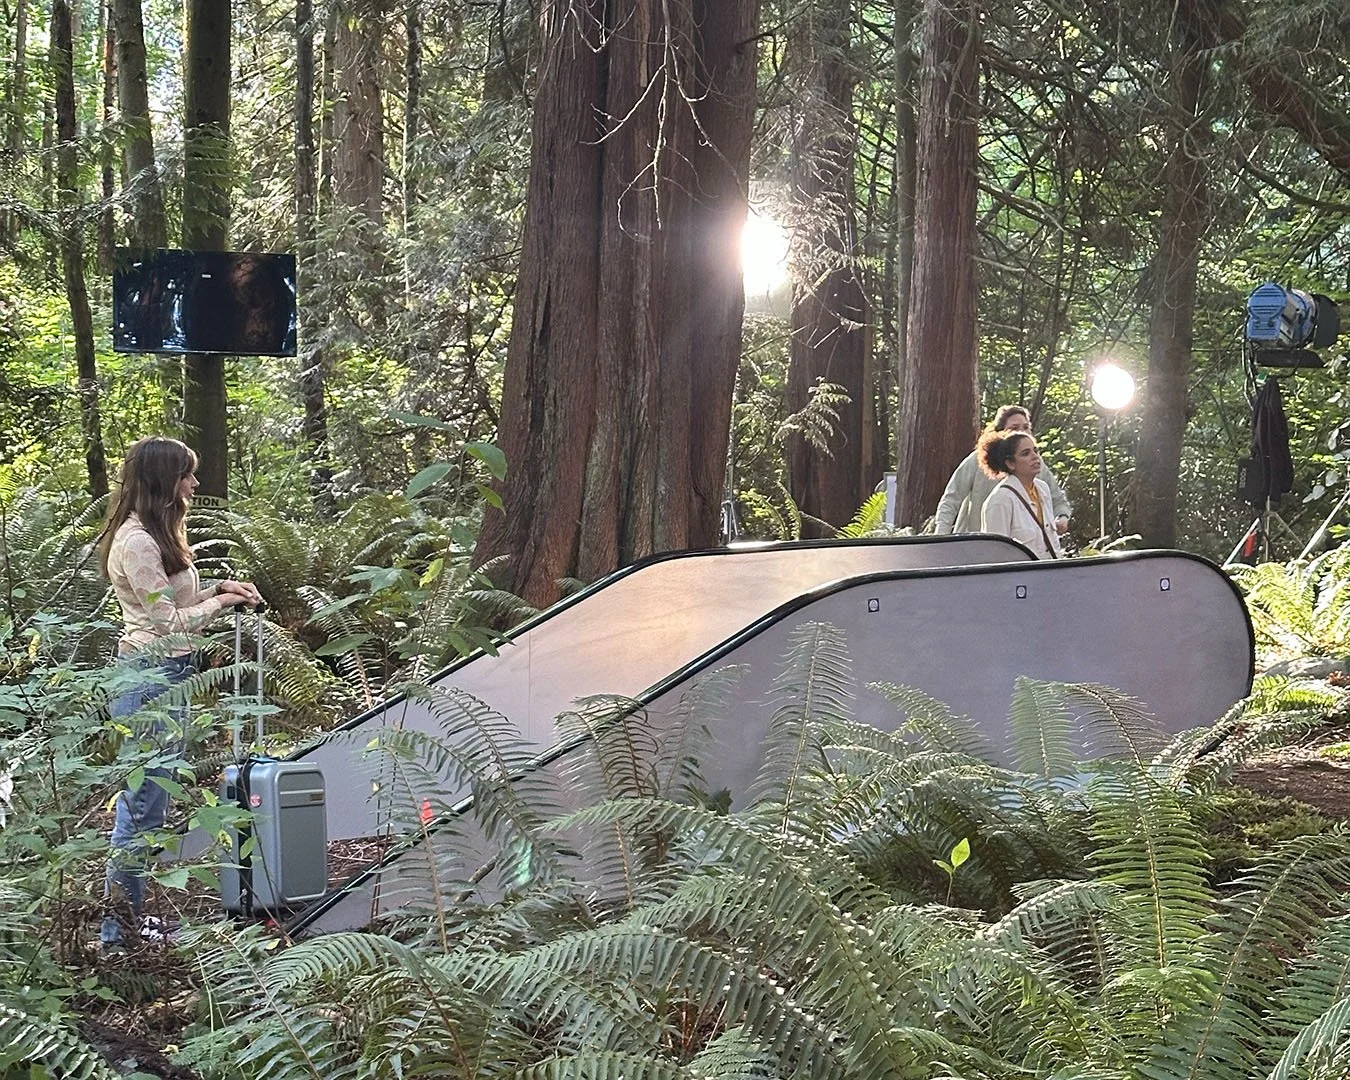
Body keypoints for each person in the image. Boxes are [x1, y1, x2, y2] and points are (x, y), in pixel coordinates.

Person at [98, 436, 261, 947]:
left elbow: (176, 602)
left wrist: (221, 589)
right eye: (186, 474)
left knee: (151, 805)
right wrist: (221, 605)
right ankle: (117, 935)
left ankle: (129, 923)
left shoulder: (157, 533)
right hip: (148, 679)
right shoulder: (137, 543)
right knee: (140, 808)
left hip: (170, 673)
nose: (194, 482)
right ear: (163, 481)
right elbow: (167, 623)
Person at [934, 405, 1071, 535]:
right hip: (973, 543)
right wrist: (941, 536)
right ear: (1000, 432)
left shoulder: (1035, 464)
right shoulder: (977, 460)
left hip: (1022, 546)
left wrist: (1062, 518)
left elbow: (1057, 499)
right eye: (1014, 428)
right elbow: (951, 499)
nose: (1021, 432)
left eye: (1026, 427)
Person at [977, 428, 1063, 559]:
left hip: (1049, 570)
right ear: (1010, 463)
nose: (1035, 457)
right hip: (1021, 571)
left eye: (1036, 451)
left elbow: (1052, 540)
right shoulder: (1000, 500)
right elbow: (995, 553)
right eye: (1025, 454)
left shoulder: (1043, 489)